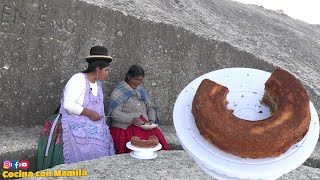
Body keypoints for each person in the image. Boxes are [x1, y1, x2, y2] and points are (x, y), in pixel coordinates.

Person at [107, 65, 171, 154]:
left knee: (155, 147)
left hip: (145, 126)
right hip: (126, 128)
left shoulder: (140, 90)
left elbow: (150, 107)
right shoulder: (119, 92)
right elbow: (114, 113)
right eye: (136, 79)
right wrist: (131, 119)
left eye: (140, 80)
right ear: (129, 77)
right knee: (135, 151)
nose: (138, 82)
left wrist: (151, 120)